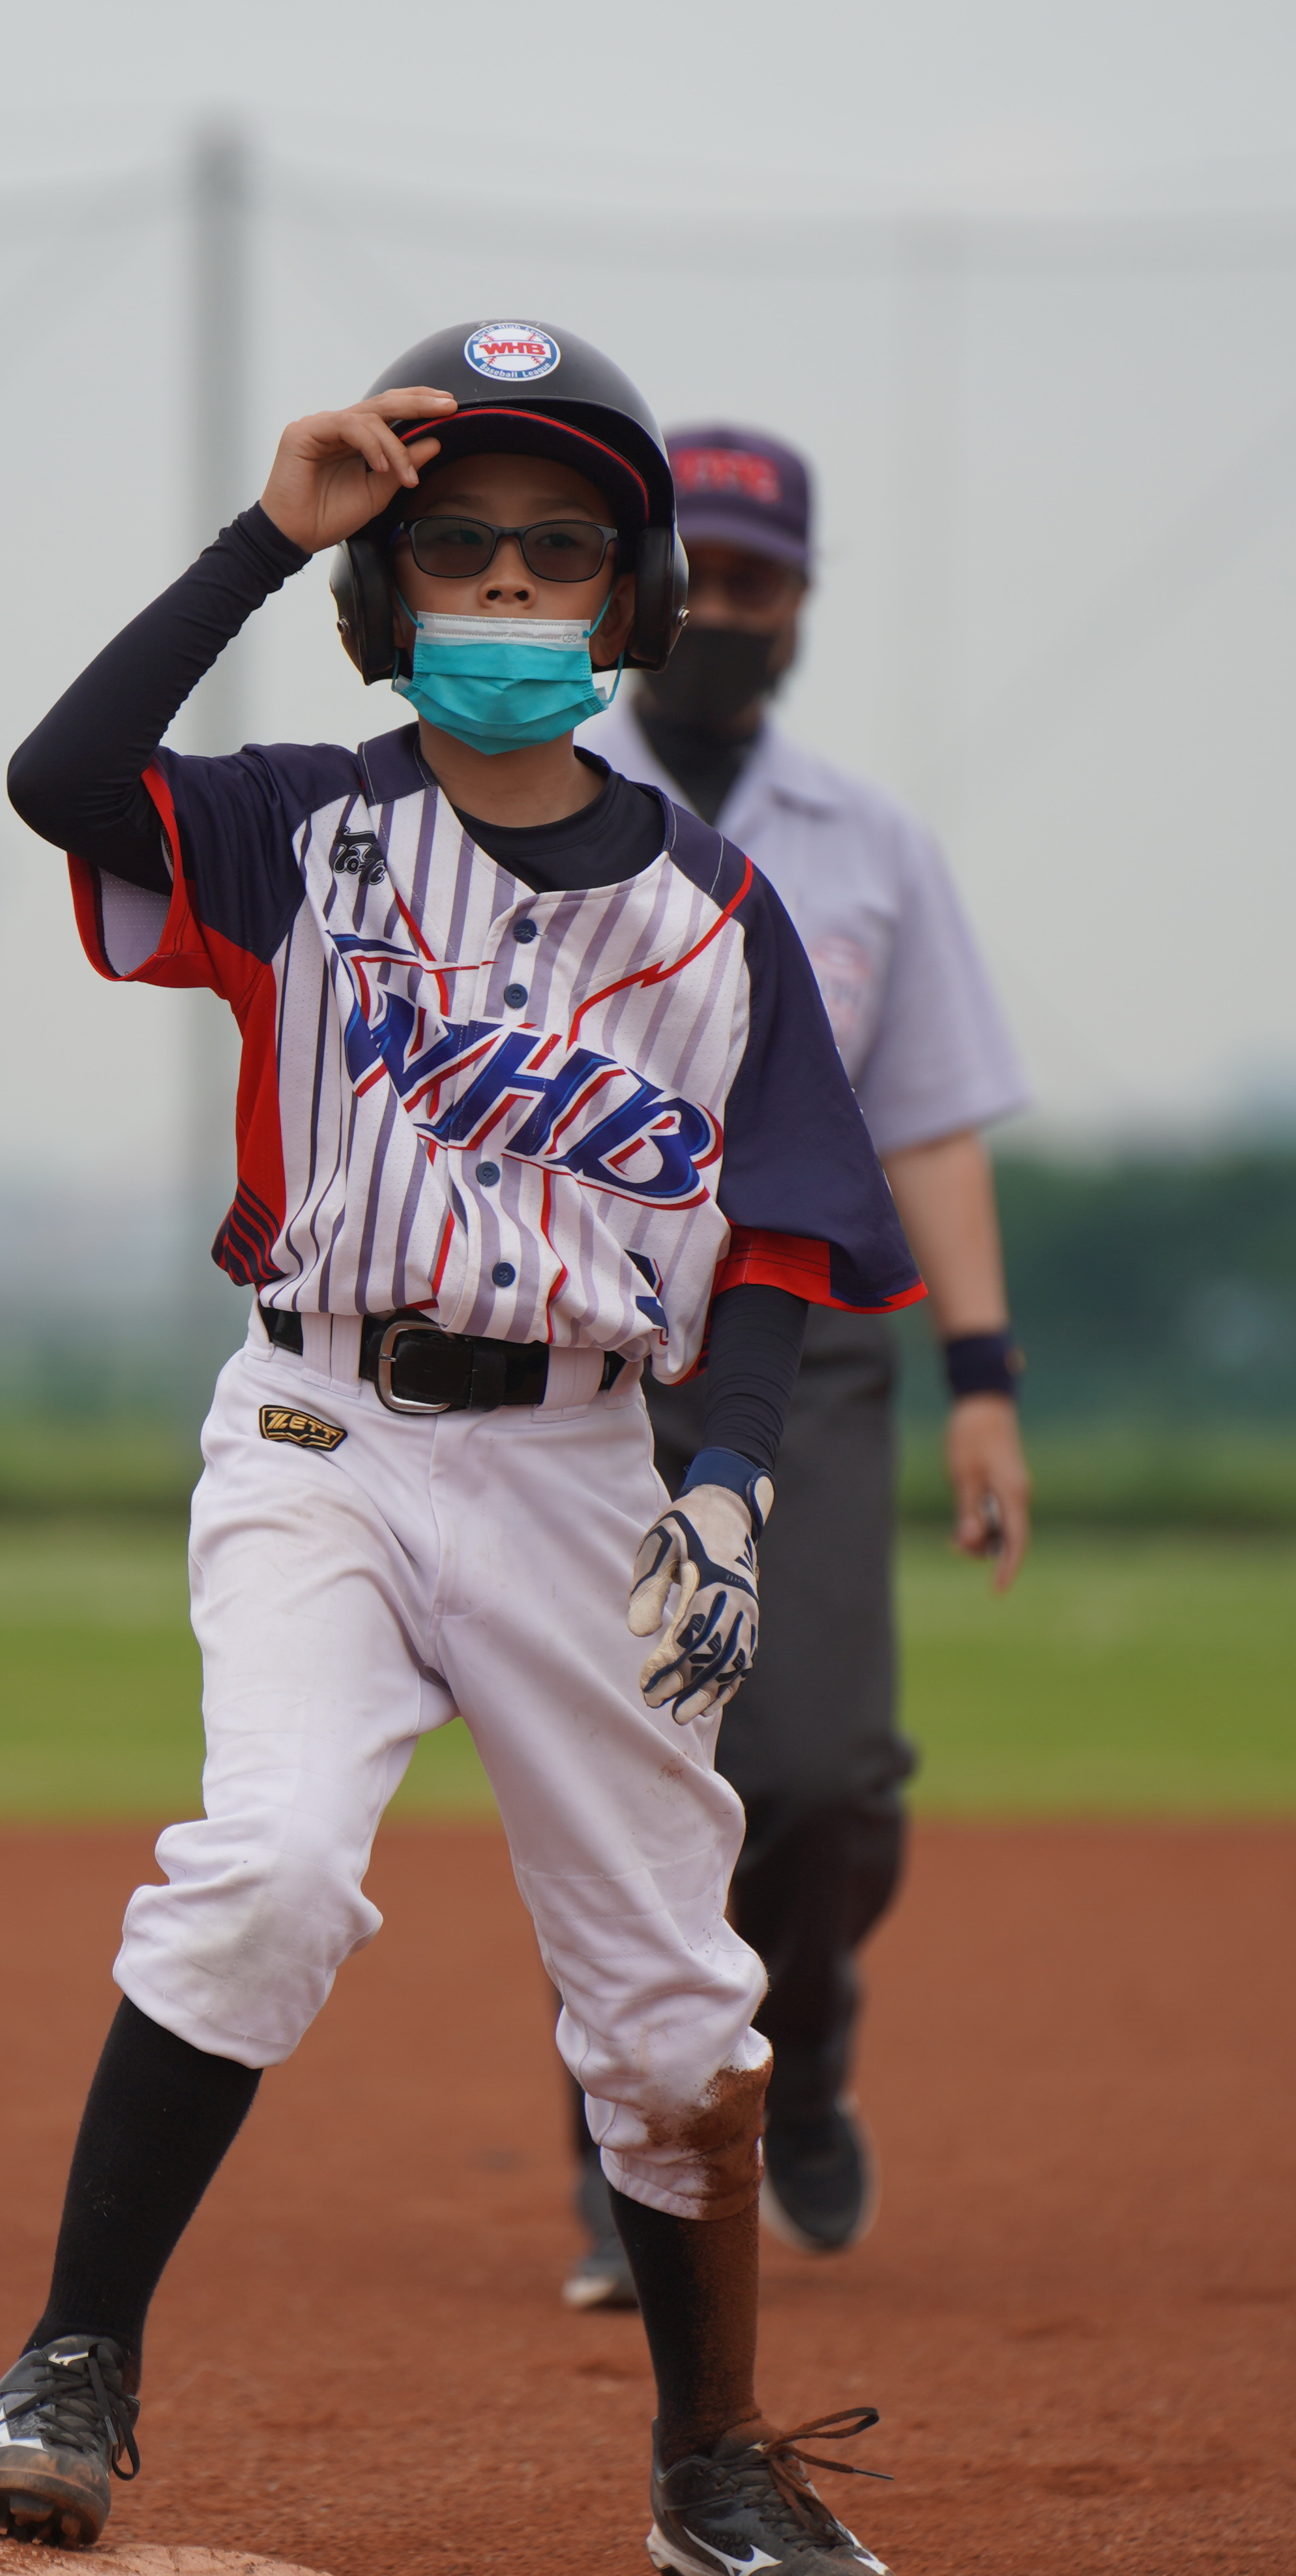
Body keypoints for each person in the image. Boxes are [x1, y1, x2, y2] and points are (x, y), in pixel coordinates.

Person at [0, 322, 917, 2576]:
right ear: (386, 593)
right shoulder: (299, 825)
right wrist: (264, 539)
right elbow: (62, 778)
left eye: (556, 552)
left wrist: (727, 1476)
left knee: (669, 2000)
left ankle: (709, 2465)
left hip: (583, 1471)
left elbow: (777, 1230)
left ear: (632, 598)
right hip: (323, 1429)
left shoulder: (713, 912)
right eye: (453, 548)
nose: (502, 589)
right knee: (272, 1866)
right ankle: (70, 2361)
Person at [557, 425, 1031, 2308]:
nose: (724, 611)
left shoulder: (867, 844)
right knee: (622, 1758)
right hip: (587, 1342)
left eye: (759, 581)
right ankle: (636, 2157)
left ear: (801, 605)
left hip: (811, 1349)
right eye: (700, 575)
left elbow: (928, 1123)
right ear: (637, 591)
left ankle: (802, 2049)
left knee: (819, 1775)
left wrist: (983, 1378)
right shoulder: (521, 796)